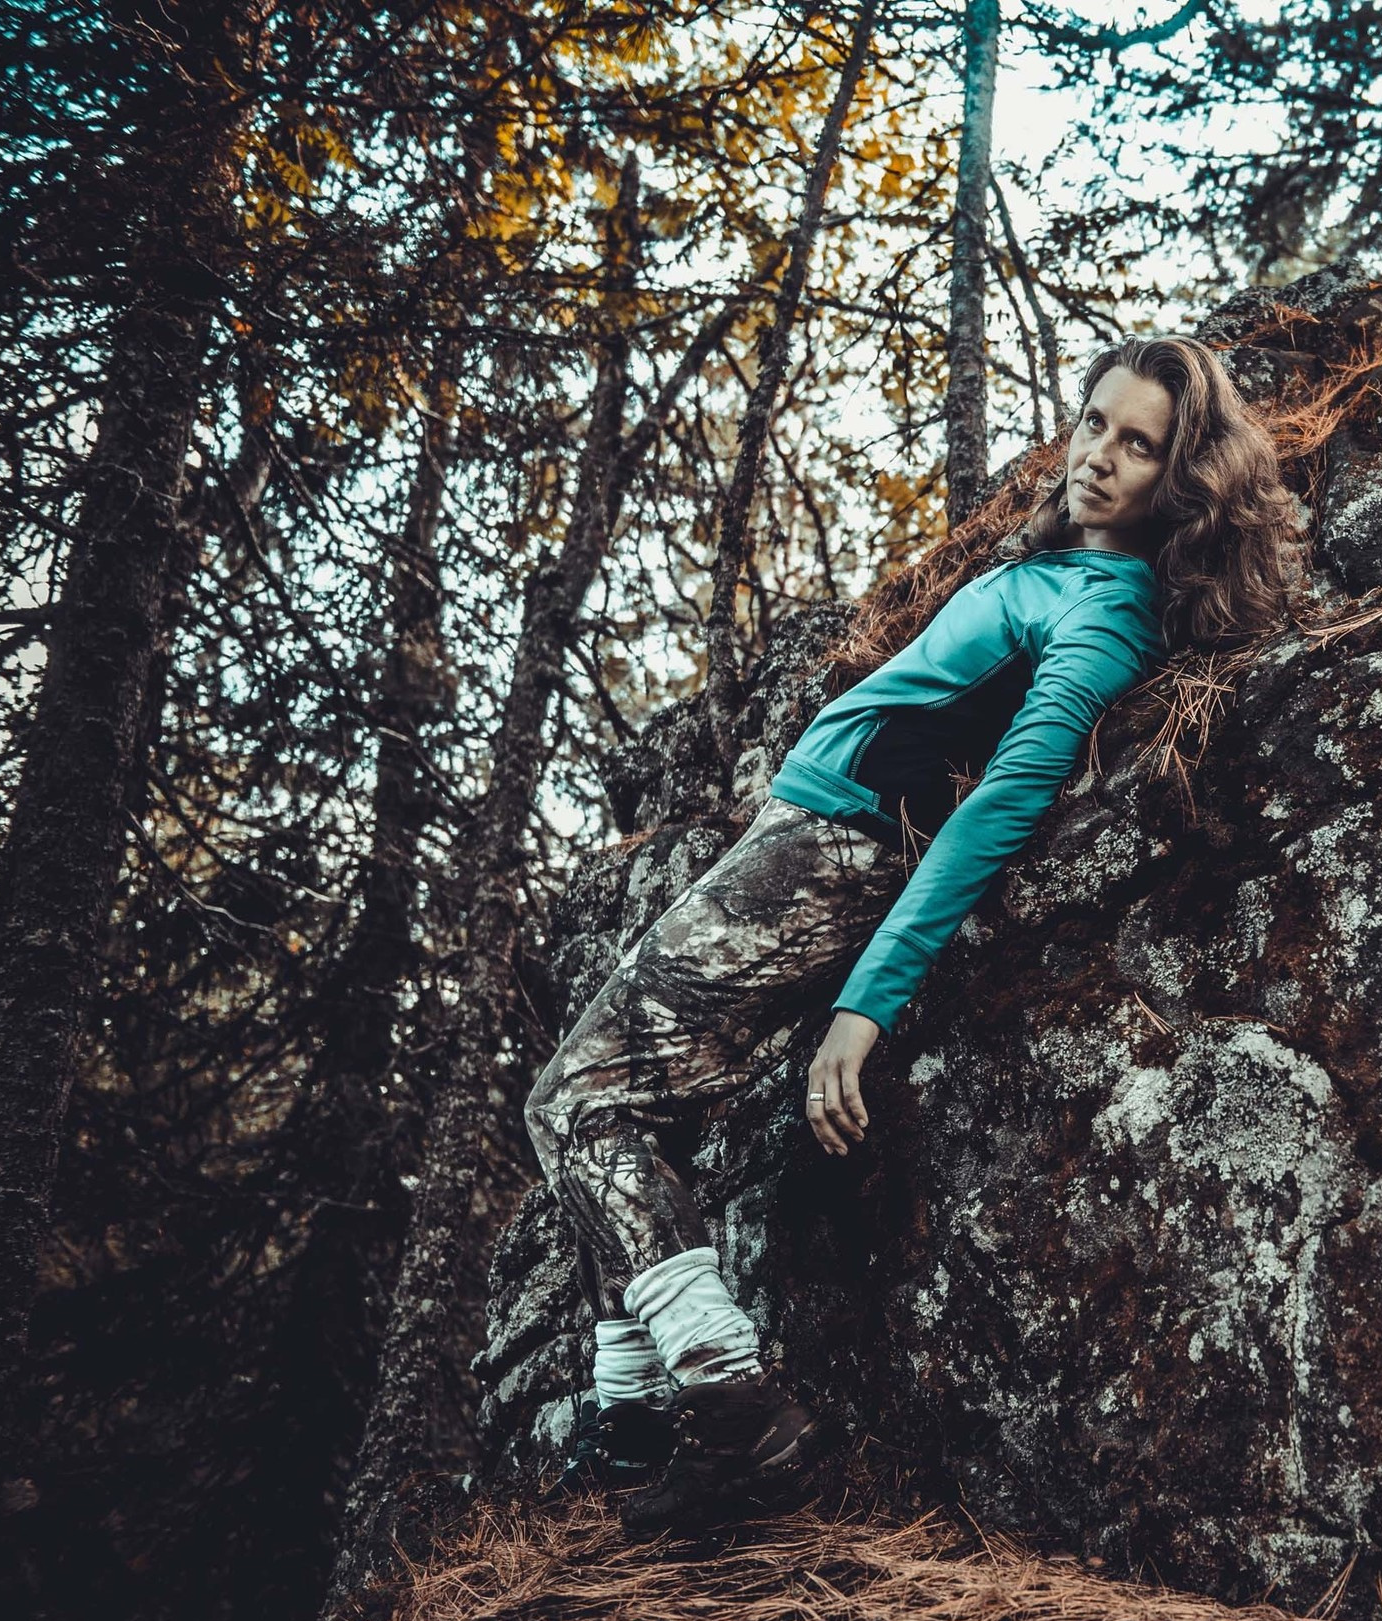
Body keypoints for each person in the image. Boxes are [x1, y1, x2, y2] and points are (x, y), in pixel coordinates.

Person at [523, 333, 1297, 1538]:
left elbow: (1008, 796)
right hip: (801, 834)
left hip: (833, 851)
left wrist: (866, 1004)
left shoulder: (1109, 606)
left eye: (1136, 444)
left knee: (575, 1103)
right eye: (1092, 422)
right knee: (639, 1119)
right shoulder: (1056, 563)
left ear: (1183, 477)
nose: (1095, 456)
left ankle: (740, 1416)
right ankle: (627, 1429)